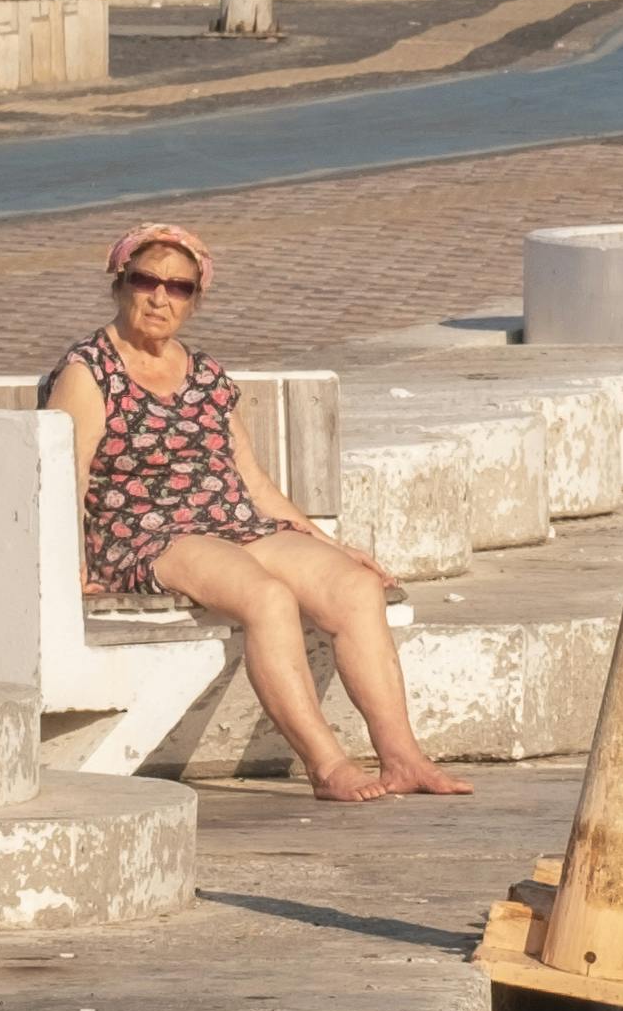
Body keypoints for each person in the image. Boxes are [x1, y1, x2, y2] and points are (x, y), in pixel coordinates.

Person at [47, 226, 460, 802]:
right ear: (120, 284)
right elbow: (68, 476)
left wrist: (330, 545)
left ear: (195, 299)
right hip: (146, 536)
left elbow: (253, 481)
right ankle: (327, 765)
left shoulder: (207, 374)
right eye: (146, 280)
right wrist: (67, 571)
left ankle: (403, 759)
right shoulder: (89, 372)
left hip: (233, 523)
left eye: (179, 287)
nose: (161, 297)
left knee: (355, 587)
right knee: (267, 598)